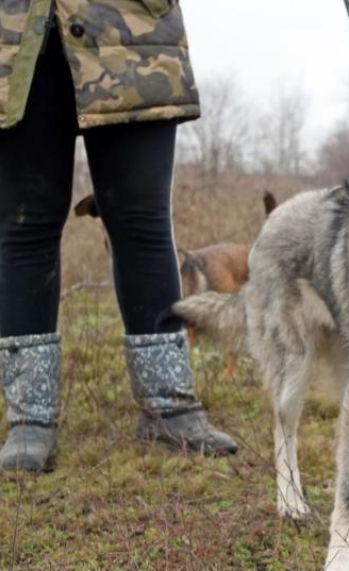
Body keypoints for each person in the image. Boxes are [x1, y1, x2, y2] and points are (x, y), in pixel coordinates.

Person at [0, 0, 238, 471]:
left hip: (132, 30)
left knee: (142, 221)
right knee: (25, 224)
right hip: (15, 35)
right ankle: (31, 418)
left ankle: (168, 407)